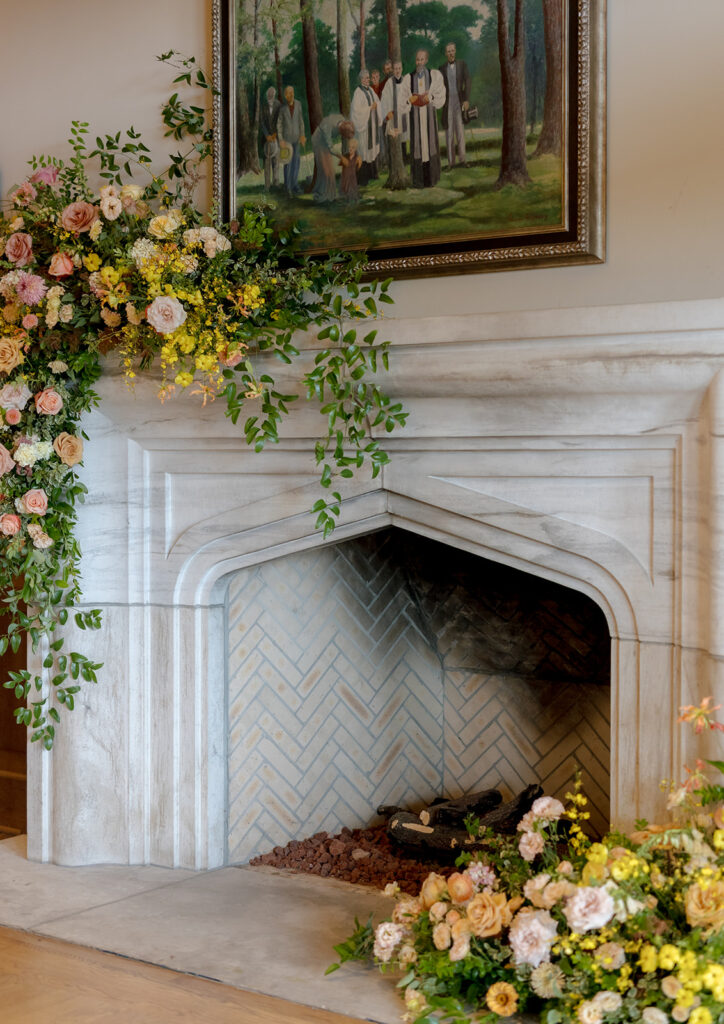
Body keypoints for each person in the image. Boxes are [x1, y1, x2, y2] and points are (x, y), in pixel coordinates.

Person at [401, 49, 446, 188]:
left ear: (426, 60)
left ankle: (432, 179)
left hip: (429, 118)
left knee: (430, 145)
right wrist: (410, 100)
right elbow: (402, 100)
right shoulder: (408, 78)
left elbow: (440, 95)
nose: (419, 62)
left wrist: (430, 97)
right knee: (418, 148)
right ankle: (419, 181)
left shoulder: (434, 76)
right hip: (415, 118)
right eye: (417, 60)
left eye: (422, 59)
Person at [439, 42, 471, 169]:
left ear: (455, 51)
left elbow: (468, 81)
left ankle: (463, 160)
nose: (451, 53)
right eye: (448, 51)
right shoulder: (441, 68)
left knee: (460, 131)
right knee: (449, 133)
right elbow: (439, 87)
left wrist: (467, 99)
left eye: (452, 51)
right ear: (446, 54)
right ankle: (450, 162)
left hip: (459, 101)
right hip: (447, 104)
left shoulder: (462, 64)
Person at [350, 69, 382, 186]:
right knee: (364, 151)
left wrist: (376, 106)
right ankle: (362, 179)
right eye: (366, 78)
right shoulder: (358, 93)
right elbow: (356, 111)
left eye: (368, 78)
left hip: (372, 126)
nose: (368, 80)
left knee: (372, 150)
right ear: (361, 79)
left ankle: (373, 173)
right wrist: (369, 108)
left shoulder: (371, 91)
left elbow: (378, 102)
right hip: (363, 128)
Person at [312, 116, 354, 203]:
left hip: (326, 144)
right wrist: (342, 157)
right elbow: (330, 147)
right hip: (319, 142)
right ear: (342, 131)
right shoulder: (329, 125)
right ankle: (322, 197)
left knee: (331, 171)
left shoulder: (342, 120)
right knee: (326, 171)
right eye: (344, 135)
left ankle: (331, 196)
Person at [279, 85, 306, 196]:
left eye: (292, 92)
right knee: (287, 163)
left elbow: (301, 121)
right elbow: (279, 125)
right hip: (286, 141)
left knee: (296, 162)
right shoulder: (282, 109)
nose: (291, 95)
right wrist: (280, 140)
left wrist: (303, 135)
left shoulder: (298, 104)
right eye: (289, 93)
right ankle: (288, 187)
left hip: (297, 139)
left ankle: (295, 185)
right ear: (285, 96)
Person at [381, 59, 410, 159]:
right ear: (393, 70)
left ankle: (405, 157)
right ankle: (395, 158)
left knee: (403, 134)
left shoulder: (406, 81)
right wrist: (388, 111)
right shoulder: (389, 82)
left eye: (399, 68)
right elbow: (385, 98)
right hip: (393, 113)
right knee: (395, 135)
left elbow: (409, 95)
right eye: (395, 69)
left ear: (402, 69)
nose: (397, 71)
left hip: (403, 113)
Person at [260, 86, 282, 190]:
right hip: (266, 139)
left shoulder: (278, 105)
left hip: (276, 138)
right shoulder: (263, 106)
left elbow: (280, 121)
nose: (270, 96)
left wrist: (275, 134)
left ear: (274, 95)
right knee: (267, 163)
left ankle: (276, 183)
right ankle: (267, 185)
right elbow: (262, 122)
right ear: (267, 95)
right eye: (269, 94)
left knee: (276, 162)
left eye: (272, 94)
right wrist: (267, 135)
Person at [339, 137, 362, 203]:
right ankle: (347, 200)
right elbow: (341, 164)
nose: (350, 149)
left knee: (353, 188)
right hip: (346, 176)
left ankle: (355, 199)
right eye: (349, 147)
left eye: (352, 147)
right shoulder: (345, 156)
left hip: (352, 176)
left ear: (355, 149)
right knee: (346, 188)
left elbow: (358, 167)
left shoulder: (357, 158)